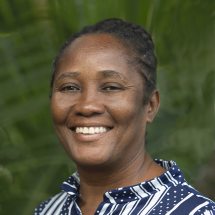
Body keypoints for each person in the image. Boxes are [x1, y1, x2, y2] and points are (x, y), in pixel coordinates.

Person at [34, 19, 215, 215]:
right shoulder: (48, 210)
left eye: (111, 87)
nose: (86, 106)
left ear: (151, 106)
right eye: (69, 87)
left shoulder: (192, 212)